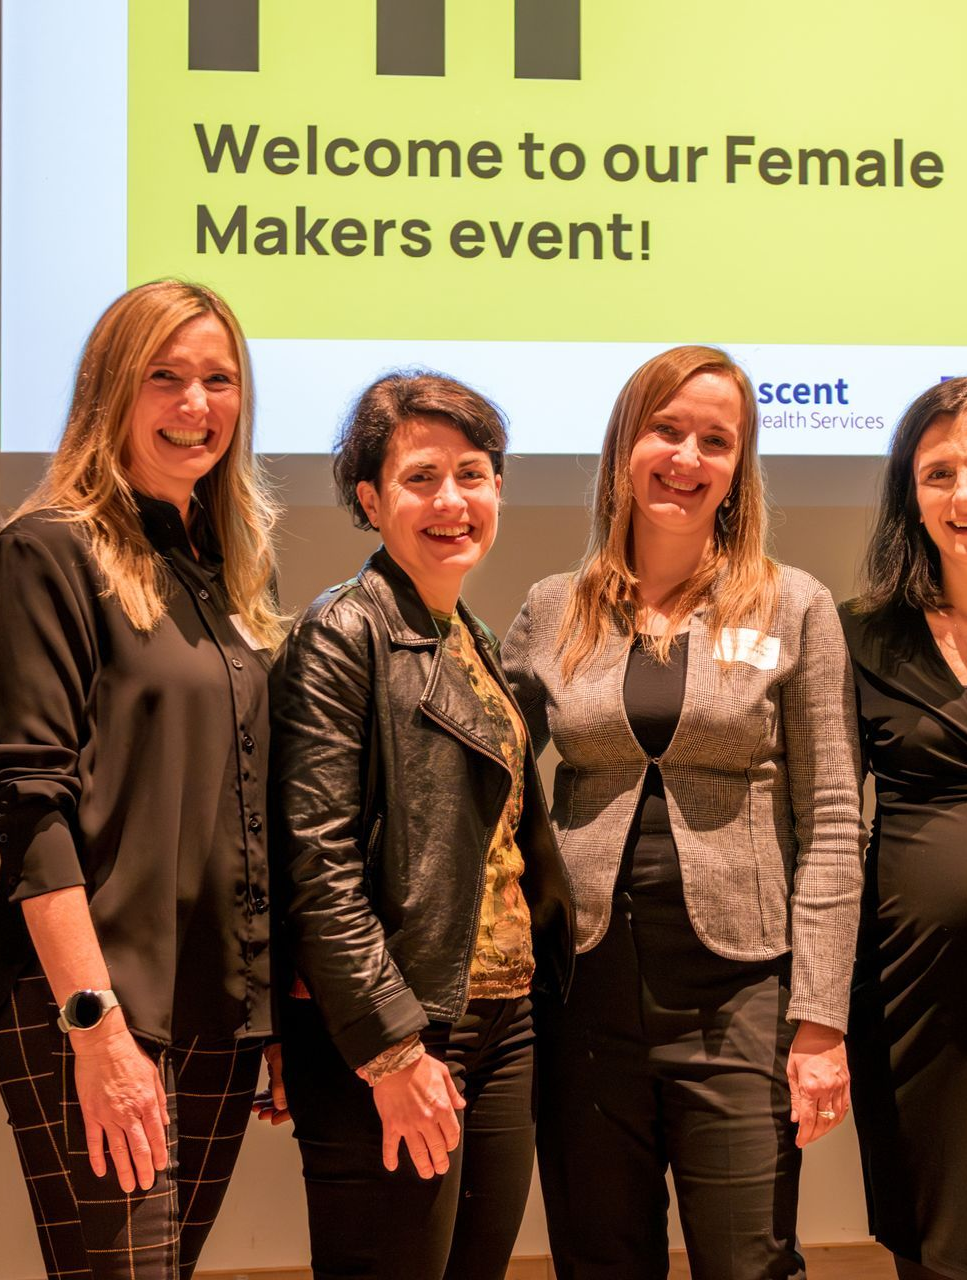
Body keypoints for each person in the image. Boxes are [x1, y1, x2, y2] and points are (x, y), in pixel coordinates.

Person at [502, 345, 863, 1280]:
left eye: (716, 440)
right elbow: (481, 785)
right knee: (599, 1259)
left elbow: (830, 818)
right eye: (667, 430)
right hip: (585, 993)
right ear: (625, 444)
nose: (687, 458)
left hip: (741, 995)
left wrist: (821, 1019)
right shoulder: (552, 611)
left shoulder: (794, 605)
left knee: (750, 1262)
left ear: (738, 468)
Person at [0, 280, 285, 1280]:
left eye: (219, 379)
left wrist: (268, 1006)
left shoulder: (229, 573)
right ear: (113, 392)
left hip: (217, 1011)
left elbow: (247, 804)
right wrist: (94, 1026)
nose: (197, 404)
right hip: (97, 1002)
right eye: (167, 377)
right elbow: (27, 797)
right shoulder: (46, 551)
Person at [268, 372, 575, 1280]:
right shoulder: (342, 633)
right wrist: (392, 1047)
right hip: (399, 1032)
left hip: (501, 1020)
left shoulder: (471, 637)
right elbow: (317, 865)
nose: (453, 501)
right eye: (422, 477)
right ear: (370, 498)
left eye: (474, 474)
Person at [838, 377, 967, 1280]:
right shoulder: (861, 636)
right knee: (935, 1222)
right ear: (909, 495)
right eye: (939, 473)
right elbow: (832, 821)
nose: (963, 495)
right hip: (916, 990)